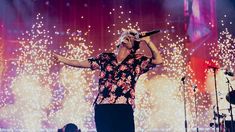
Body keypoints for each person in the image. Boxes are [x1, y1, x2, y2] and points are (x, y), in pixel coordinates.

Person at [53, 29, 163, 132]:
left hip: (123, 108)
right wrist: (62, 59)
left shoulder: (137, 60)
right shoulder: (105, 57)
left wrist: (148, 42)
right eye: (126, 34)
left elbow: (158, 60)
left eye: (132, 36)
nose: (128, 36)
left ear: (134, 45)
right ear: (120, 40)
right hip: (103, 107)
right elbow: (81, 63)